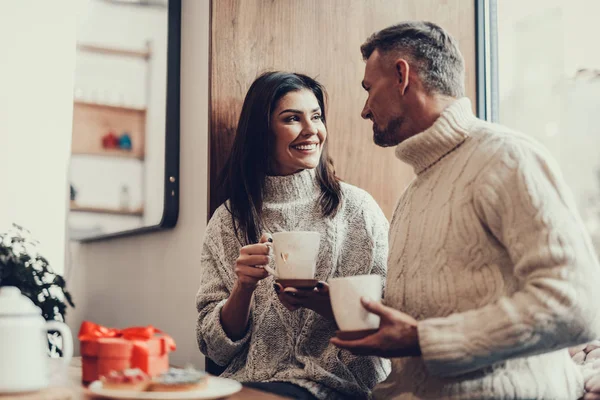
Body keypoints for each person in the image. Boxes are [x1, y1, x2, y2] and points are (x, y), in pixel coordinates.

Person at [330, 21, 600, 399]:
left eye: (368, 89)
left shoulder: (507, 158)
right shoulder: (413, 193)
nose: (364, 109)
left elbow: (575, 304)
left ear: (401, 75)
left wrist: (426, 340)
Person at [196, 71, 390, 400]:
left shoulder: (357, 209)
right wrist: (242, 289)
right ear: (262, 132)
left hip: (337, 383)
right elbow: (215, 350)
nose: (312, 130)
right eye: (292, 119)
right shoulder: (228, 220)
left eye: (316, 116)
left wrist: (330, 305)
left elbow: (387, 320)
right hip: (246, 382)